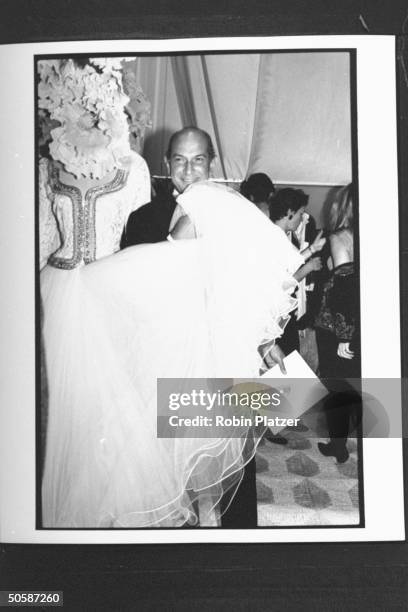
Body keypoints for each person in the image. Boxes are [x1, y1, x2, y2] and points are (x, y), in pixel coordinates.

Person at [41, 124, 301, 528]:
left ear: (211, 163)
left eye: (198, 160)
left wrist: (266, 340)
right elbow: (132, 286)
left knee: (216, 468)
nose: (189, 169)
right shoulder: (144, 217)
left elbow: (257, 276)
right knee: (169, 465)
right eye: (179, 159)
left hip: (214, 350)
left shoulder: (232, 209)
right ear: (167, 164)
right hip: (162, 352)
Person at [314, 184, 361, 463]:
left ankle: (338, 445)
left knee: (337, 387)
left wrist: (345, 336)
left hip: (337, 327)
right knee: (357, 383)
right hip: (362, 322)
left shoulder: (340, 237)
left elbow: (344, 286)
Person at [269, 188, 326, 355]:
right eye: (301, 213)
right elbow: (283, 284)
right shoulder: (275, 239)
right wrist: (309, 267)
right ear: (289, 212)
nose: (302, 219)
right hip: (277, 317)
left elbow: (291, 263)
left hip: (282, 315)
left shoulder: (277, 236)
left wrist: (313, 249)